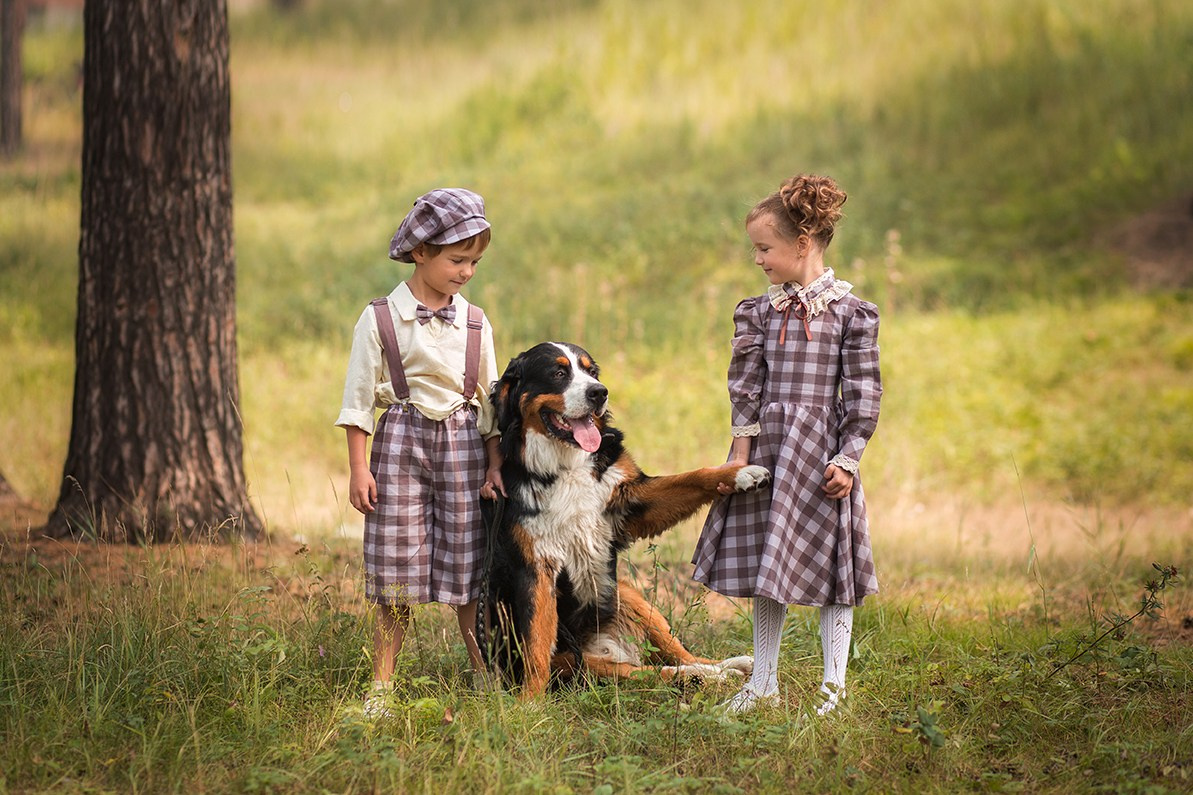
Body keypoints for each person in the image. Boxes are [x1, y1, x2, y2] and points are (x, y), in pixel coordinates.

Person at [691, 174, 882, 716]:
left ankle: (833, 688)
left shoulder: (852, 313)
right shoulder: (758, 311)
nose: (758, 259)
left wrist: (849, 456)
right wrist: (740, 452)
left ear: (801, 246)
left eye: (764, 248)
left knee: (831, 571)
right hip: (772, 455)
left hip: (821, 456)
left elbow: (864, 389)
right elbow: (745, 386)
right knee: (766, 564)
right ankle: (764, 682)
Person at [336, 188, 505, 716]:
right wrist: (359, 469)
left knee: (469, 566)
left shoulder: (476, 323)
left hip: (463, 451)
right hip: (401, 449)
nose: (467, 272)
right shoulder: (380, 318)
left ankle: (485, 674)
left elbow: (490, 404)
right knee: (395, 570)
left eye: (474, 262)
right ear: (420, 253)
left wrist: (496, 465)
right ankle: (382, 685)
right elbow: (359, 401)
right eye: (457, 260)